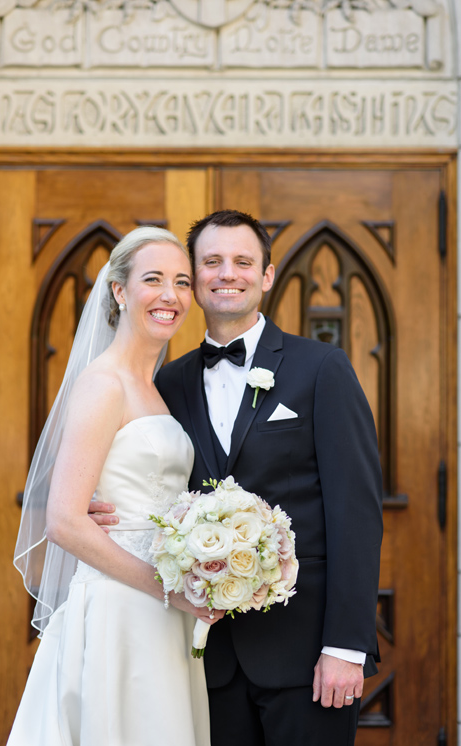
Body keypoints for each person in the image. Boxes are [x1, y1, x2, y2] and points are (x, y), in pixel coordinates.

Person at [91, 210, 383, 745]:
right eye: (212, 262)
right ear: (196, 280)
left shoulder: (322, 368)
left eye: (243, 262)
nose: (228, 273)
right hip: (204, 657)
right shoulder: (168, 384)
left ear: (266, 276)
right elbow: (152, 477)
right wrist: (100, 502)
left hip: (308, 656)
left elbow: (356, 512)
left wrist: (346, 646)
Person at [9, 227, 221, 746]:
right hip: (122, 608)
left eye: (182, 282)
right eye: (153, 279)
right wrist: (172, 590)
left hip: (166, 610)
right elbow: (63, 521)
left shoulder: (158, 387)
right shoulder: (103, 384)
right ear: (120, 291)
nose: (171, 296)